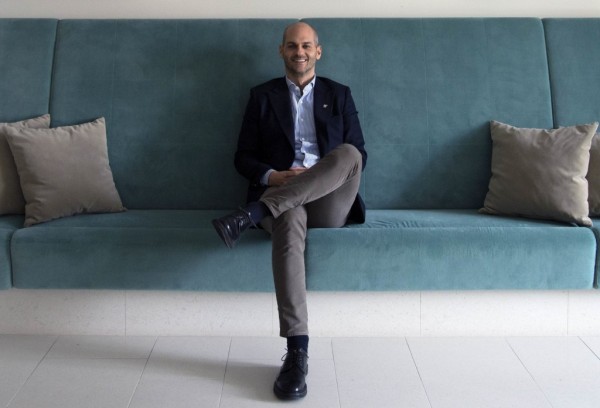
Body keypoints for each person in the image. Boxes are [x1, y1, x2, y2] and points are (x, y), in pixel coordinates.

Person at [212, 21, 367, 400]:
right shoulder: (262, 96)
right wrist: (274, 176)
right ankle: (297, 353)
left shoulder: (339, 94)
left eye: (307, 45)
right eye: (293, 45)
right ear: (281, 50)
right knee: (289, 214)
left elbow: (359, 156)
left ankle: (249, 215)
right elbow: (243, 157)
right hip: (282, 194)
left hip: (329, 202)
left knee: (348, 153)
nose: (300, 52)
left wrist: (310, 178)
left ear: (318, 51)